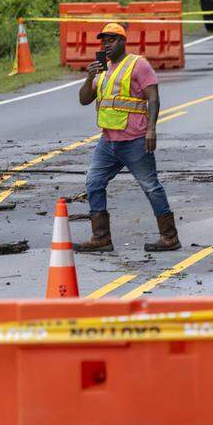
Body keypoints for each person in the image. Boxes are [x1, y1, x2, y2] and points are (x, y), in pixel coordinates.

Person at [75, 22, 180, 252]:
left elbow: (153, 97)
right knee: (93, 182)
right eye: (104, 40)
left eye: (111, 40)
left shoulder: (138, 65)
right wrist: (88, 77)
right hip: (108, 141)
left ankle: (169, 237)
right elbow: (84, 99)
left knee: (150, 186)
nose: (107, 44)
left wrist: (151, 129)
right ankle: (101, 237)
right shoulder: (103, 69)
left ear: (123, 41)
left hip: (134, 140)